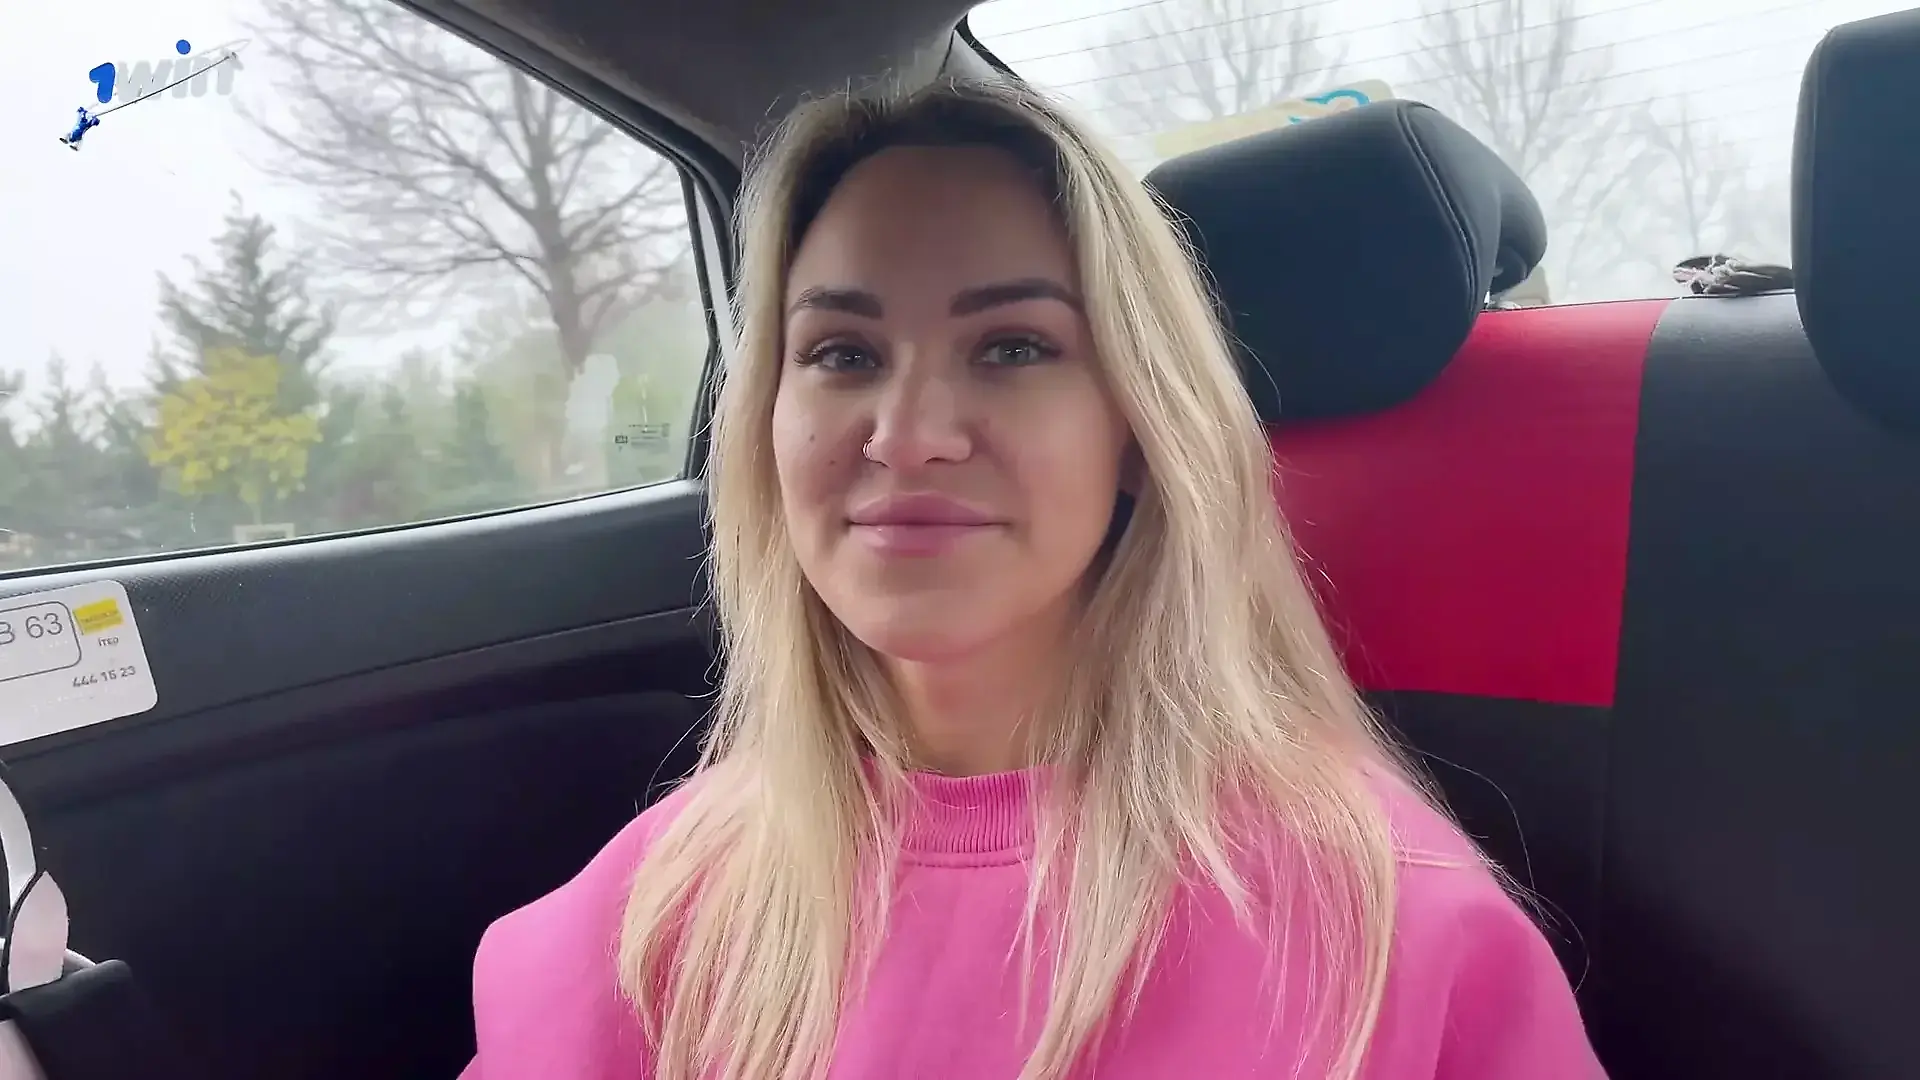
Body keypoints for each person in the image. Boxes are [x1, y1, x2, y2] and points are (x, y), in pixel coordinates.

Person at [461, 78, 1605, 1080]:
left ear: (1136, 429)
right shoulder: (651, 911)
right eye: (842, 354)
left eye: (1012, 347)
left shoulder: (1386, 925)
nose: (908, 435)